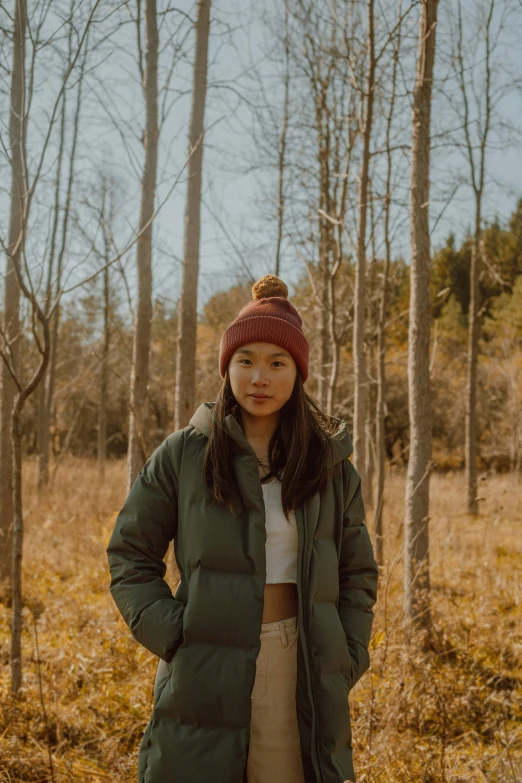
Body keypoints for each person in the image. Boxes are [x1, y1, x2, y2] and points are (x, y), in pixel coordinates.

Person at [106, 274, 379, 783]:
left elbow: (357, 570)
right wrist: (174, 632)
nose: (260, 377)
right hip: (204, 656)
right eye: (245, 360)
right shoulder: (186, 452)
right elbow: (130, 553)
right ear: (226, 367)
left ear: (297, 373)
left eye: (277, 363)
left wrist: (347, 653)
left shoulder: (329, 465)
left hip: (298, 656)